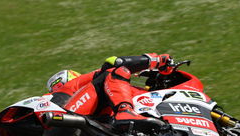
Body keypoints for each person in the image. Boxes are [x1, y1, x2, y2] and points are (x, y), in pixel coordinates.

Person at [45, 53, 173, 131]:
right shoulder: (73, 85)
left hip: (94, 122)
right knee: (115, 71)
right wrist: (155, 60)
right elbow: (113, 62)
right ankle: (125, 111)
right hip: (73, 115)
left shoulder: (108, 92)